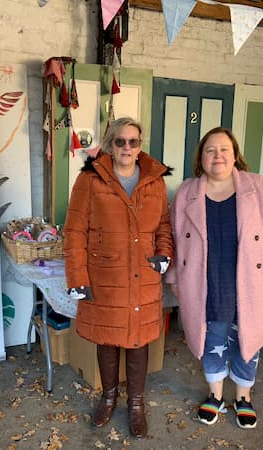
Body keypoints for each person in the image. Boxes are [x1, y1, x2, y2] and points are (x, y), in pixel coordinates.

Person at [165, 127, 263, 429]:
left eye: (224, 149)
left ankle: (243, 397)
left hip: (252, 282)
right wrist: (173, 274)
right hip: (206, 280)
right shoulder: (187, 192)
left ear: (236, 155)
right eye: (210, 150)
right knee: (212, 337)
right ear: (201, 158)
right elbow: (173, 237)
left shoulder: (261, 189)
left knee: (246, 338)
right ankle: (215, 396)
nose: (218, 156)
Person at [64, 117, 174, 438]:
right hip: (105, 276)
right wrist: (77, 278)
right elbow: (74, 232)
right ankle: (109, 397)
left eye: (133, 142)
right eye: (120, 141)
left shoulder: (155, 181)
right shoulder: (90, 179)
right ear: (111, 144)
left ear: (140, 147)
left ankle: (136, 405)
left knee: (139, 340)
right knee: (107, 338)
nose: (127, 147)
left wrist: (164, 254)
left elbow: (164, 225)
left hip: (144, 274)